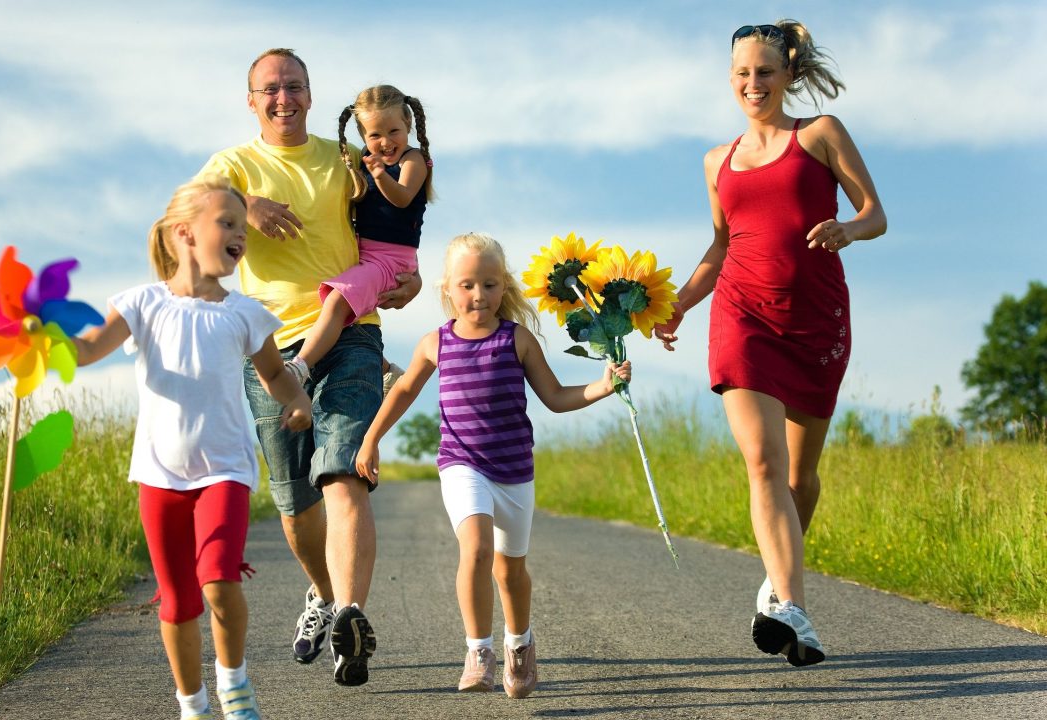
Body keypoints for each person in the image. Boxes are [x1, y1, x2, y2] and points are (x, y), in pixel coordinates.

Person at [655, 20, 887, 667]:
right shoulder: (715, 161)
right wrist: (676, 303)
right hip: (741, 316)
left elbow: (876, 212)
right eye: (741, 74)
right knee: (762, 463)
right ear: (730, 81)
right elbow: (721, 245)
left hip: (815, 321)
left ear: (787, 74)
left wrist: (848, 229)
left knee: (799, 477)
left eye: (763, 72)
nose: (751, 84)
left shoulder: (820, 135)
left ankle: (775, 587)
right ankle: (794, 608)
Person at [197, 48, 422, 686]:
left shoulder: (344, 155)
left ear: (312, 95)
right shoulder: (233, 165)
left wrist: (408, 276)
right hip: (268, 351)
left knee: (344, 473)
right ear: (252, 101)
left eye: (294, 86)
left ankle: (351, 617)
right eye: (271, 89)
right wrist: (248, 205)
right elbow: (187, 212)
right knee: (296, 507)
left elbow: (392, 218)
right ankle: (324, 593)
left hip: (352, 333)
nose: (284, 98)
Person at [72, 175, 312, 720]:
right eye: (226, 223)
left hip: (224, 470)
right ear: (184, 232)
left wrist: (297, 401)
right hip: (159, 476)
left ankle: (234, 687)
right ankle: (193, 705)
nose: (239, 235)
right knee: (178, 602)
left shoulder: (244, 313)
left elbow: (275, 375)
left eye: (240, 226)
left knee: (220, 582)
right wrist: (42, 339)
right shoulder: (142, 303)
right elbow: (87, 350)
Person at [355, 232, 632, 698]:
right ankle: (478, 651)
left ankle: (519, 644)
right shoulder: (435, 344)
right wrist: (371, 440)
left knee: (510, 572)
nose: (478, 295)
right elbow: (402, 391)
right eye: (467, 285)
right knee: (477, 549)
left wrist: (602, 386)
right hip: (461, 464)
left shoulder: (517, 339)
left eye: (488, 284)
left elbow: (557, 398)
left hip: (514, 470)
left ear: (504, 288)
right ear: (448, 290)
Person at [284, 84, 433, 394]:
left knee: (339, 301)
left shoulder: (412, 160)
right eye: (374, 136)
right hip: (365, 253)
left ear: (407, 123)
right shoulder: (363, 160)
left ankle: (298, 367)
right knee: (345, 314)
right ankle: (384, 370)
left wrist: (379, 175)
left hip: (391, 260)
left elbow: (403, 197)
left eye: (393, 131)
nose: (385, 142)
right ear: (363, 137)